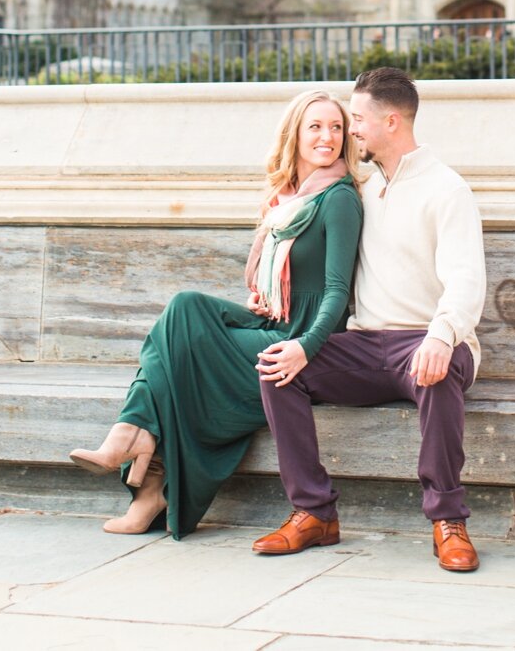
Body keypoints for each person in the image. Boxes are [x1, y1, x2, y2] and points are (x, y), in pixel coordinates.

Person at [68, 88, 363, 540]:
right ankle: (139, 446)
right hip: (275, 321)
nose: (328, 136)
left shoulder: (338, 198)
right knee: (185, 308)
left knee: (178, 350)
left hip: (303, 343)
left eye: (337, 127)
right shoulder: (287, 200)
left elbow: (337, 294)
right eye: (316, 127)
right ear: (295, 135)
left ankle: (140, 456)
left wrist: (304, 347)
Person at [253, 65, 486, 572]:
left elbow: (467, 279)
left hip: (429, 340)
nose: (348, 130)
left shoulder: (446, 189)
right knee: (277, 367)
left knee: (437, 370)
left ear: (393, 122)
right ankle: (313, 513)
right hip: (365, 345)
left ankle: (448, 521)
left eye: (356, 119)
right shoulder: (363, 186)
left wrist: (442, 335)